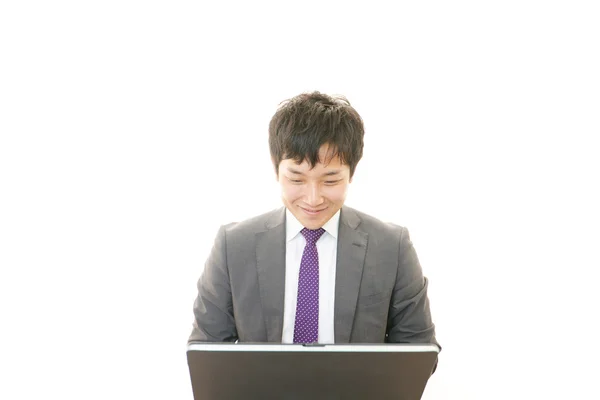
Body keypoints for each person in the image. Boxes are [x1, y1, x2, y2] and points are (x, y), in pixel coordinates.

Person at [188, 91, 439, 358]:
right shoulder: (233, 245)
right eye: (296, 179)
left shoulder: (392, 247)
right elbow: (207, 351)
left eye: (330, 181)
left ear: (351, 173)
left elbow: (418, 351)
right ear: (276, 170)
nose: (313, 198)